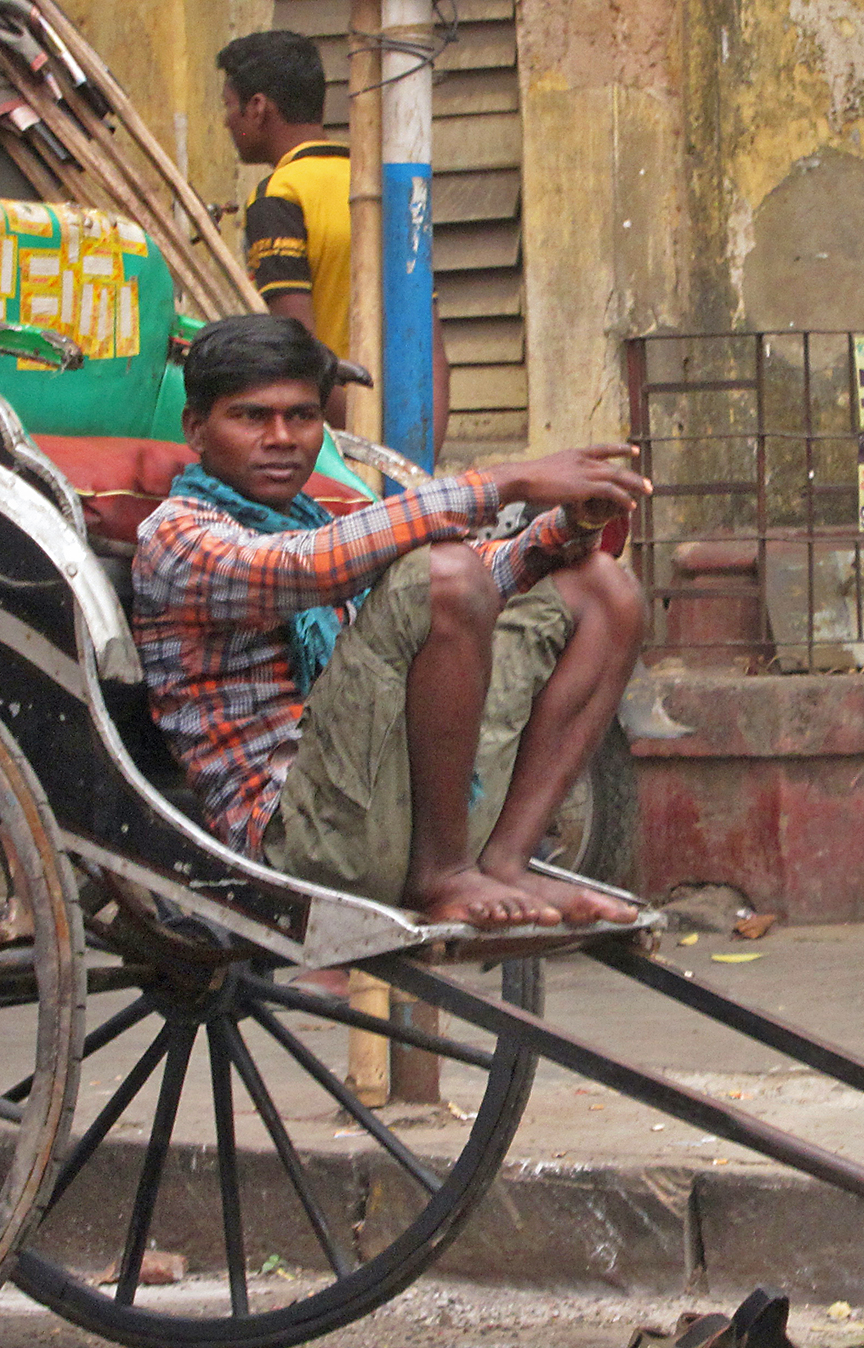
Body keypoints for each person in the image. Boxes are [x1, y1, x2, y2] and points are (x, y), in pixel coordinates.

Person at [133, 314, 646, 928]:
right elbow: (311, 570)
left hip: (387, 805)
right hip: (300, 842)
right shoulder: (176, 538)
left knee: (603, 587)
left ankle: (506, 859)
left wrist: (568, 525)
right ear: (196, 428)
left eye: (301, 416)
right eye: (251, 417)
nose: (282, 437)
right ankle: (443, 874)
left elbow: (478, 583)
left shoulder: (313, 516)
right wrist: (507, 480)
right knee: (445, 576)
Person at [216, 29, 448, 438]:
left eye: (228, 106)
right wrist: (419, 444)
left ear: (257, 108)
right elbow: (428, 335)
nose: (225, 121)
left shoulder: (278, 197)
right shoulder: (382, 187)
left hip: (337, 444)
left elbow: (300, 351)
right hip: (405, 438)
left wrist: (362, 438)